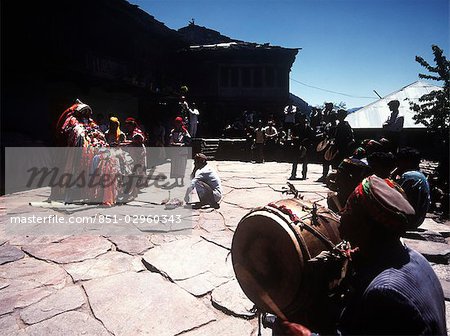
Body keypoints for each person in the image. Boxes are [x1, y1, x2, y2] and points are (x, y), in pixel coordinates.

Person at [275, 175, 446, 335]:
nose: (341, 213)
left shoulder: (384, 292)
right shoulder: (415, 258)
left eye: (349, 209)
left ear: (366, 226)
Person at [392, 147, 431, 229]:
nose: (397, 164)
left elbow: (392, 197)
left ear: (407, 162)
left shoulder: (409, 176)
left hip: (408, 221)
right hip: (417, 220)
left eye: (399, 161)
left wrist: (391, 176)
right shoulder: (420, 175)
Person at [289, 114, 314, 180]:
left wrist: (306, 142)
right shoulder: (296, 127)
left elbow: (311, 137)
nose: (302, 120)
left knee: (305, 161)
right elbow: (291, 135)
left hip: (305, 146)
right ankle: (293, 174)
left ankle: (304, 175)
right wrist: (295, 138)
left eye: (303, 119)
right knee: (295, 161)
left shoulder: (308, 128)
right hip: (297, 145)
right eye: (301, 119)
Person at [169, 116, 191, 186]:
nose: (177, 125)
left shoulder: (185, 131)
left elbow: (189, 140)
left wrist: (183, 144)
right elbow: (170, 139)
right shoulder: (172, 131)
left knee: (182, 165)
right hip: (175, 150)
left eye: (179, 123)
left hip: (182, 150)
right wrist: (172, 143)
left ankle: (182, 180)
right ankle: (176, 180)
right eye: (176, 123)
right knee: (175, 165)